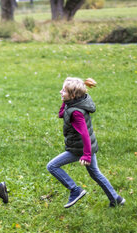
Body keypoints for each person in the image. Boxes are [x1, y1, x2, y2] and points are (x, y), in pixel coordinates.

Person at [46, 77, 125, 208]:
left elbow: (85, 134)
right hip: (86, 147)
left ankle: (75, 190)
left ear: (72, 95)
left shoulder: (76, 113)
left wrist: (86, 155)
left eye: (64, 91)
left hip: (80, 149)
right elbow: (61, 114)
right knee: (95, 173)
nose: (60, 92)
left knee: (52, 166)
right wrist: (66, 101)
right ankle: (116, 199)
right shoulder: (75, 103)